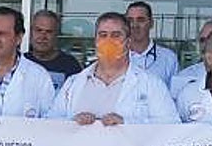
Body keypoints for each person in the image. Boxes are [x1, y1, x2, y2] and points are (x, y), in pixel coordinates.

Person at [48, 12, 176, 124]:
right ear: (95, 41)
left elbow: (171, 126)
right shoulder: (73, 83)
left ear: (128, 42)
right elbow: (50, 122)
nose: (108, 41)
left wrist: (126, 123)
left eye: (116, 35)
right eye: (103, 35)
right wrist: (72, 121)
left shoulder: (151, 84)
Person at [25, 9, 82, 91]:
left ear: (56, 35)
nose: (42, 36)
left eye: (48, 32)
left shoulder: (70, 65)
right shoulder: (19, 62)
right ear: (30, 32)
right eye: (38, 30)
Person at [124, 1, 179, 86]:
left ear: (151, 23)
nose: (134, 25)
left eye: (140, 20)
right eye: (130, 20)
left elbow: (174, 94)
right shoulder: (117, 57)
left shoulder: (168, 58)